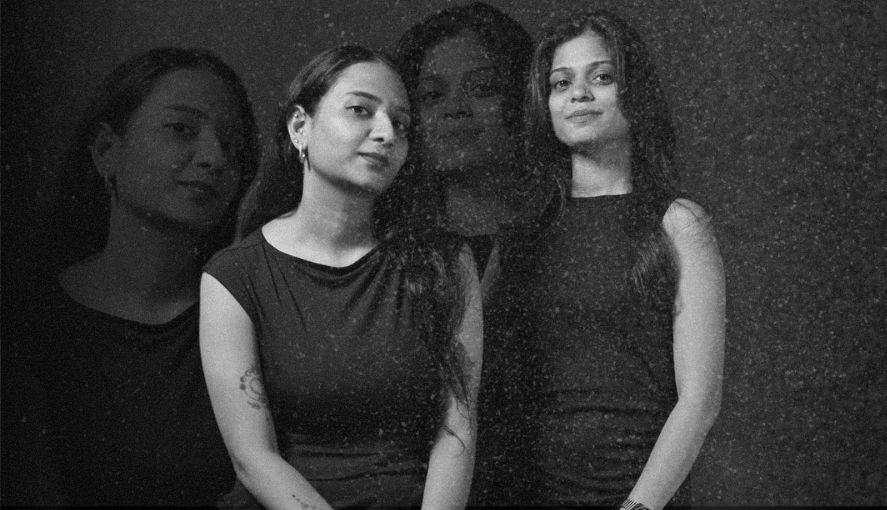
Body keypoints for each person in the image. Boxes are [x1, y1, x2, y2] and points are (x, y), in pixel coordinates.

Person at [201, 44, 483, 509]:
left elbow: (458, 430)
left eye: (401, 123)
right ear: (300, 127)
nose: (386, 133)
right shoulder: (234, 276)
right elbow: (253, 458)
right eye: (360, 110)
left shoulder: (446, 263)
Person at [2, 47, 259, 505]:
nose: (214, 158)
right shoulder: (30, 328)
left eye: (231, 145)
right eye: (181, 129)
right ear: (107, 151)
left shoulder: (249, 314)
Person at [491, 10, 726, 508]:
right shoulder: (519, 237)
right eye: (561, 83)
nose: (578, 94)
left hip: (638, 495)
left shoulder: (678, 223)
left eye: (601, 77)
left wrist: (638, 506)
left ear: (634, 93)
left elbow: (699, 401)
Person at [394, 1, 534, 288]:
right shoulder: (388, 251)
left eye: (482, 88)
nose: (454, 108)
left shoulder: (564, 235)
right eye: (432, 95)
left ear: (523, 100)